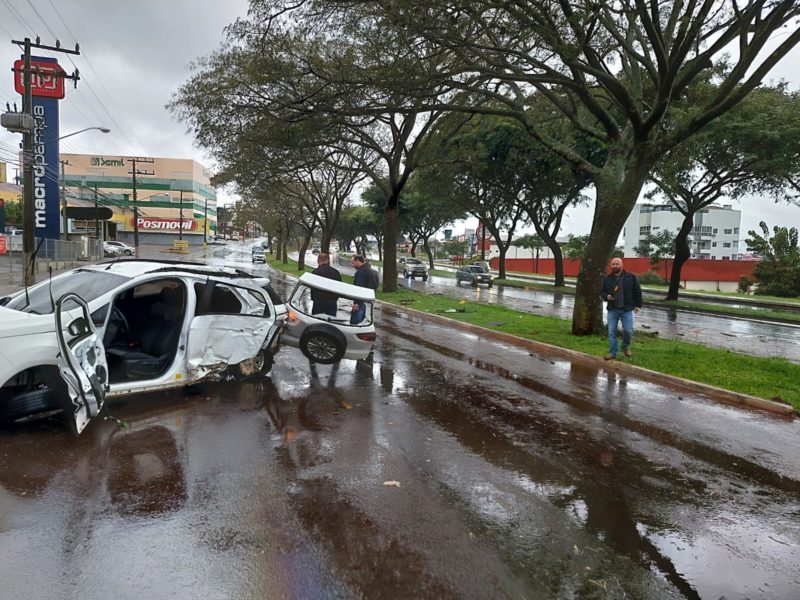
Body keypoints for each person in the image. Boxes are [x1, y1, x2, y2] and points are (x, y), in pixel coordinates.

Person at [600, 257, 643, 360]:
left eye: (617, 264)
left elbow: (637, 291)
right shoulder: (607, 278)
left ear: (621, 265)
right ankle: (612, 352)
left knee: (628, 331)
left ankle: (625, 346)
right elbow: (602, 292)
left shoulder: (631, 277)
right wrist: (607, 296)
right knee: (611, 332)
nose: (615, 266)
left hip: (626, 309)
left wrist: (637, 305)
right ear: (611, 266)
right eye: (613, 264)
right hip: (612, 309)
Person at [350, 254, 379, 325]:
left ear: (357, 261)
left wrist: (356, 303)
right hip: (370, 302)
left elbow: (359, 289)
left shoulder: (361, 272)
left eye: (353, 262)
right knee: (366, 324)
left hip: (360, 303)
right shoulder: (374, 272)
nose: (352, 265)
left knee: (356, 324)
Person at [310, 252, 341, 316]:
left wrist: (313, 298)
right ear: (328, 260)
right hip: (332, 301)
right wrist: (335, 298)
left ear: (318, 260)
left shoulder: (315, 273)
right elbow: (339, 287)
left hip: (318, 301)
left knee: (316, 320)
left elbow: (312, 288)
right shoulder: (336, 272)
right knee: (331, 321)